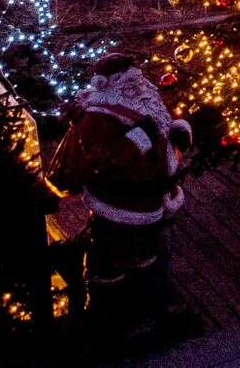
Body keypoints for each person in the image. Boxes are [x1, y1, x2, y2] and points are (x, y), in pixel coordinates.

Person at [50, 52, 192, 318]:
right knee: (111, 259)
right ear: (110, 82)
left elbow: (161, 126)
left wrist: (178, 132)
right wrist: (141, 138)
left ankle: (143, 303)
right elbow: (102, 158)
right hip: (119, 204)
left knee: (146, 254)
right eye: (128, 77)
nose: (137, 81)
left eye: (135, 76)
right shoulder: (98, 115)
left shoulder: (141, 102)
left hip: (151, 200)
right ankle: (108, 312)